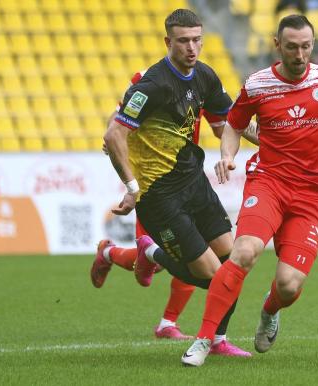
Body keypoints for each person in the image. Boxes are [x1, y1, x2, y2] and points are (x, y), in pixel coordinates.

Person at [181, 14, 318, 367]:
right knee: (244, 252)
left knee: (289, 284)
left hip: (314, 193)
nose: (300, 54)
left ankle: (270, 311)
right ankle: (204, 339)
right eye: (292, 47)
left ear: (313, 44)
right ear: (277, 46)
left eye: (306, 46)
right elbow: (233, 123)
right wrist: (228, 156)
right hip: (269, 182)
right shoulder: (259, 85)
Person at [98, 8, 258, 357]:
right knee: (216, 277)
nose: (192, 47)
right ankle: (151, 251)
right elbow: (113, 135)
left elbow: (227, 123)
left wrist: (275, 142)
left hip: (194, 182)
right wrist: (131, 187)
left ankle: (218, 342)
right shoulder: (152, 85)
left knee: (234, 263)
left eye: (197, 40)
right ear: (168, 41)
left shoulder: (204, 76)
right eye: (183, 41)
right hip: (159, 194)